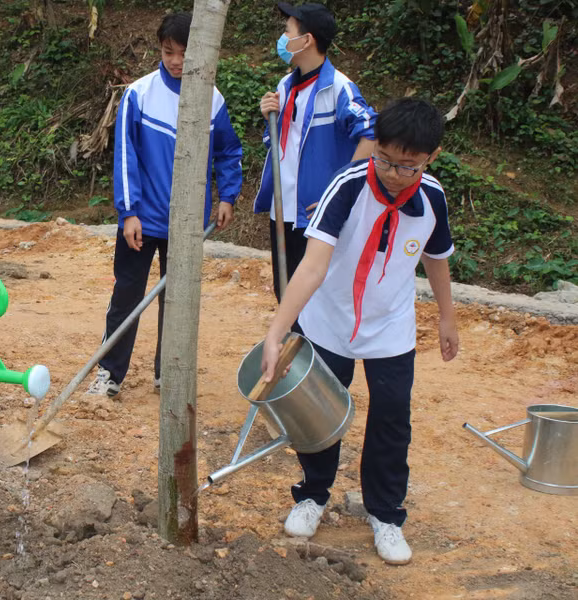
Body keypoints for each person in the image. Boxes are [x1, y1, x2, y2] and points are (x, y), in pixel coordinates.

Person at [260, 98, 459, 565]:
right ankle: (312, 494)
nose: (394, 172)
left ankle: (386, 514)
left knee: (392, 419)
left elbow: (436, 258)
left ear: (431, 157)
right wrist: (277, 332)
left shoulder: (432, 197)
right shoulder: (347, 187)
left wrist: (447, 317)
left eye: (408, 165)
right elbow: (311, 266)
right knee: (320, 414)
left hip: (391, 327)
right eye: (386, 159)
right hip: (330, 322)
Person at [85, 12, 243, 399]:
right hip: (142, 221)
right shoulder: (140, 94)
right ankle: (109, 373)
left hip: (187, 224)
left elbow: (228, 151)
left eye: (184, 53)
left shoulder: (212, 98)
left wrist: (227, 196)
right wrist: (128, 213)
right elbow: (125, 157)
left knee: (177, 301)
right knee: (127, 296)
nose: (175, 60)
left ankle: (168, 374)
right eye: (168, 51)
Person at [253, 3, 377, 302]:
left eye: (287, 32)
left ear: (306, 40)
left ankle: (315, 349)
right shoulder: (285, 85)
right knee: (286, 291)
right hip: (283, 210)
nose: (282, 39)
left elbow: (371, 134)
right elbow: (280, 145)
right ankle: (292, 347)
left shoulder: (338, 88)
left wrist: (338, 195)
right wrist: (269, 115)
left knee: (317, 296)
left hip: (315, 215)